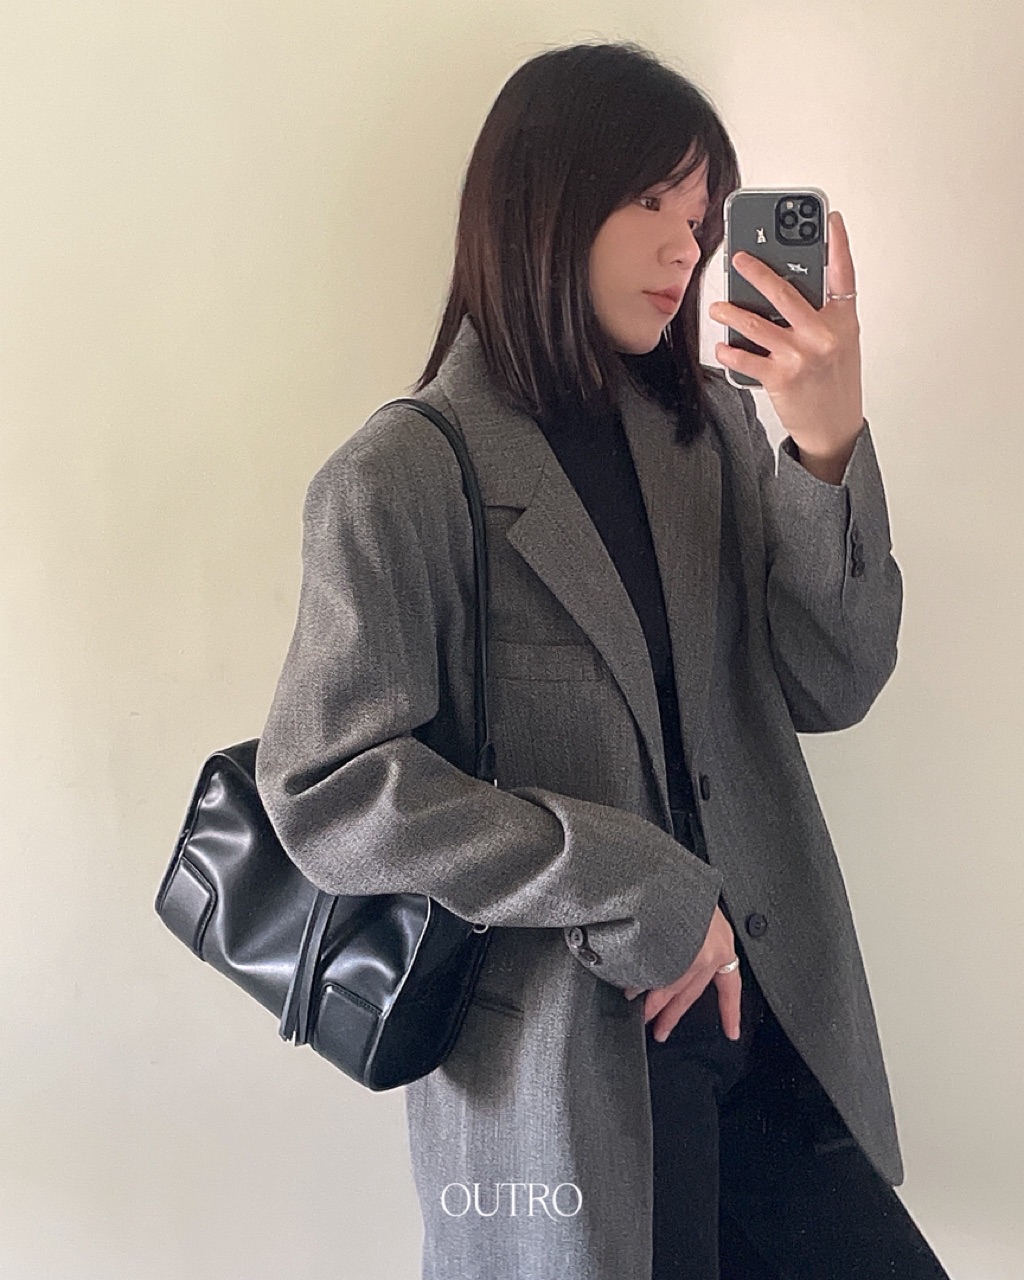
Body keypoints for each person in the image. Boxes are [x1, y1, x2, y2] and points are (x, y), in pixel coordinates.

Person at [254, 40, 952, 1280]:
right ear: (544, 202)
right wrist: (637, 879)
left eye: (702, 215)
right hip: (568, 1069)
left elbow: (831, 680)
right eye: (651, 205)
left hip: (772, 1034)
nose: (688, 249)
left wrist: (825, 448)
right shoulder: (404, 474)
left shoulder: (712, 432)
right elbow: (328, 787)